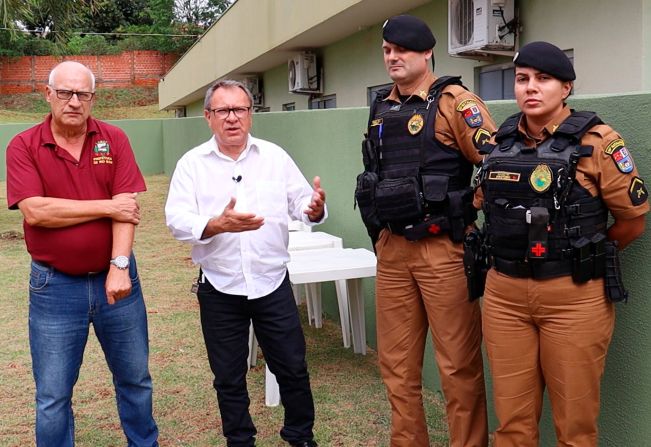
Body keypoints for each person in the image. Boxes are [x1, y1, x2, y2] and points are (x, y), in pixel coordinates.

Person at [474, 41, 649, 446]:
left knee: (575, 426)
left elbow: (632, 221)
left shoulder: (599, 142)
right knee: (512, 423)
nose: (530, 88)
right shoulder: (499, 145)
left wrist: (582, 253)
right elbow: (483, 206)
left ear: (566, 88)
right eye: (522, 79)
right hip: (505, 297)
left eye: (543, 79)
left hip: (574, 297)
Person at [354, 14, 495, 447]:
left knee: (457, 368)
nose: (392, 57)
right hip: (393, 250)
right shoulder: (380, 105)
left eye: (402, 49)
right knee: (396, 366)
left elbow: (498, 165)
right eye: (387, 50)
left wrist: (467, 204)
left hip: (444, 250)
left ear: (427, 52)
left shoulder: (456, 102)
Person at [5, 61, 158, 446]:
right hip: (54, 287)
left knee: (135, 380)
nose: (74, 101)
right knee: (53, 395)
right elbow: (37, 212)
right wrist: (105, 207)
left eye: (83, 94)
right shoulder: (23, 145)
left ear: (92, 98)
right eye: (65, 93)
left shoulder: (114, 138)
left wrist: (120, 265)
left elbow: (129, 206)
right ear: (48, 94)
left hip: (117, 281)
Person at [165, 79, 325, 447]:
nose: (232, 118)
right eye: (223, 110)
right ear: (208, 117)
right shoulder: (192, 164)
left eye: (240, 109)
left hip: (272, 282)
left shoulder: (274, 157)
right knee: (228, 376)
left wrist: (313, 210)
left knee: (293, 369)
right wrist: (216, 224)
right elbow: (176, 219)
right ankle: (240, 440)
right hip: (220, 286)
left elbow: (303, 203)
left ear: (251, 114)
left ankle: (300, 436)